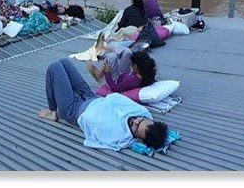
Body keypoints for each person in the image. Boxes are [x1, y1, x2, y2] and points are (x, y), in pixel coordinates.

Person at [37, 58, 168, 151]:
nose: (135, 121)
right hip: (91, 97)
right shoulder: (143, 113)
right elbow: (115, 98)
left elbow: (94, 133)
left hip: (74, 110)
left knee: (54, 67)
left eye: (135, 128)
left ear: (138, 138)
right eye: (141, 120)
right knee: (64, 62)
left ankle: (53, 112)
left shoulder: (120, 136)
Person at [87, 34, 157, 93]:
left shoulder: (132, 81)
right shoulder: (142, 73)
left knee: (112, 57)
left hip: (115, 81)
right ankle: (107, 47)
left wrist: (107, 73)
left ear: (136, 67)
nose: (131, 65)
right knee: (127, 52)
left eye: (132, 64)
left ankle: (100, 74)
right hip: (124, 75)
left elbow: (114, 88)